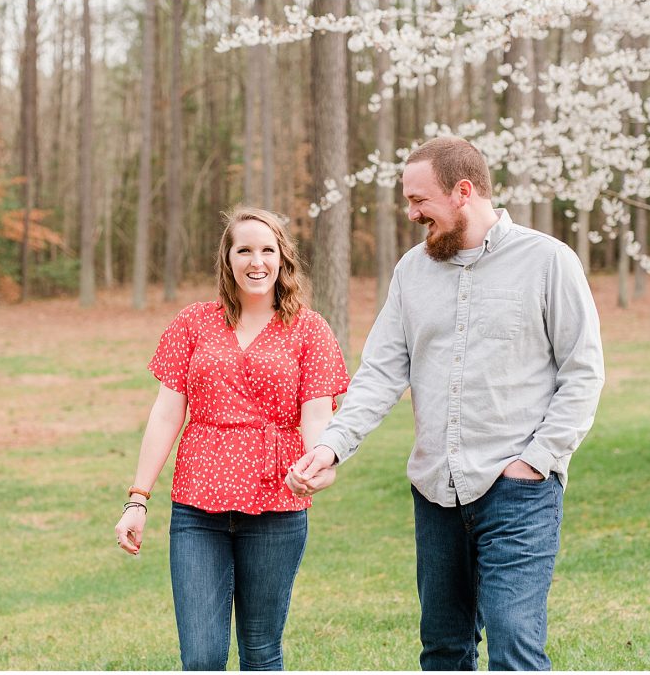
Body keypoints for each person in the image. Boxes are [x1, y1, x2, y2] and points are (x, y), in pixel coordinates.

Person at [287, 137, 605, 671]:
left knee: (514, 648)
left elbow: (583, 372)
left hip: (518, 491)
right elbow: (382, 372)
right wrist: (331, 447)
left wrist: (536, 461)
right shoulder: (412, 271)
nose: (411, 213)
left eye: (419, 201)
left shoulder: (548, 261)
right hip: (436, 490)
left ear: (463, 192)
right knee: (443, 648)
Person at [114, 206, 349, 671]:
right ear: (228, 259)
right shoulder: (193, 323)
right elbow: (165, 414)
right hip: (198, 511)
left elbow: (317, 417)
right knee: (201, 657)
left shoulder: (309, 330)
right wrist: (137, 499)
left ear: (283, 258)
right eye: (244, 250)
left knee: (261, 652)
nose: (256, 261)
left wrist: (322, 466)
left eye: (267, 249)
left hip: (276, 509)